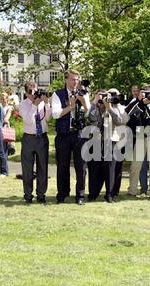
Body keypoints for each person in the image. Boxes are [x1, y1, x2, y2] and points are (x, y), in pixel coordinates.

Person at [51, 69, 90, 205]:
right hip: (63, 135)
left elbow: (88, 112)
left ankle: (80, 195)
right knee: (62, 165)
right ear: (66, 80)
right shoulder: (57, 94)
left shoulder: (83, 93)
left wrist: (82, 101)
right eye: (73, 79)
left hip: (79, 134)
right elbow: (55, 114)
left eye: (77, 80)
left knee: (81, 166)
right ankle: (62, 193)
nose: (75, 82)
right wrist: (71, 106)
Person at [126, 84, 150, 200]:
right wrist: (141, 102)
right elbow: (128, 112)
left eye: (149, 93)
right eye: (144, 92)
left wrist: (147, 105)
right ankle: (132, 190)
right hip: (140, 136)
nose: (147, 95)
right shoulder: (136, 102)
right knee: (135, 166)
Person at [19, 82, 52, 203]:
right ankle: (28, 194)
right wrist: (34, 106)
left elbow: (48, 118)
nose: (34, 94)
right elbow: (28, 120)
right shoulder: (23, 104)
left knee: (42, 166)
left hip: (42, 137)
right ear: (26, 93)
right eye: (31, 92)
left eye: (36, 91)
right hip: (29, 137)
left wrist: (47, 103)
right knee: (27, 167)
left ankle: (41, 194)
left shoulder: (42, 102)